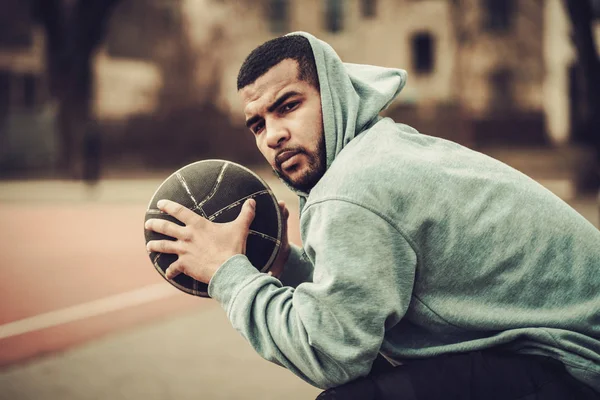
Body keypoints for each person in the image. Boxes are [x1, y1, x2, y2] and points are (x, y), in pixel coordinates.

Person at [144, 32, 600, 398]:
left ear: (334, 94)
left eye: (288, 106)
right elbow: (367, 302)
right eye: (258, 123)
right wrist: (286, 263)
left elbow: (331, 355)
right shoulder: (381, 149)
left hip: (575, 368)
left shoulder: (354, 186)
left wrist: (228, 273)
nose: (273, 136)